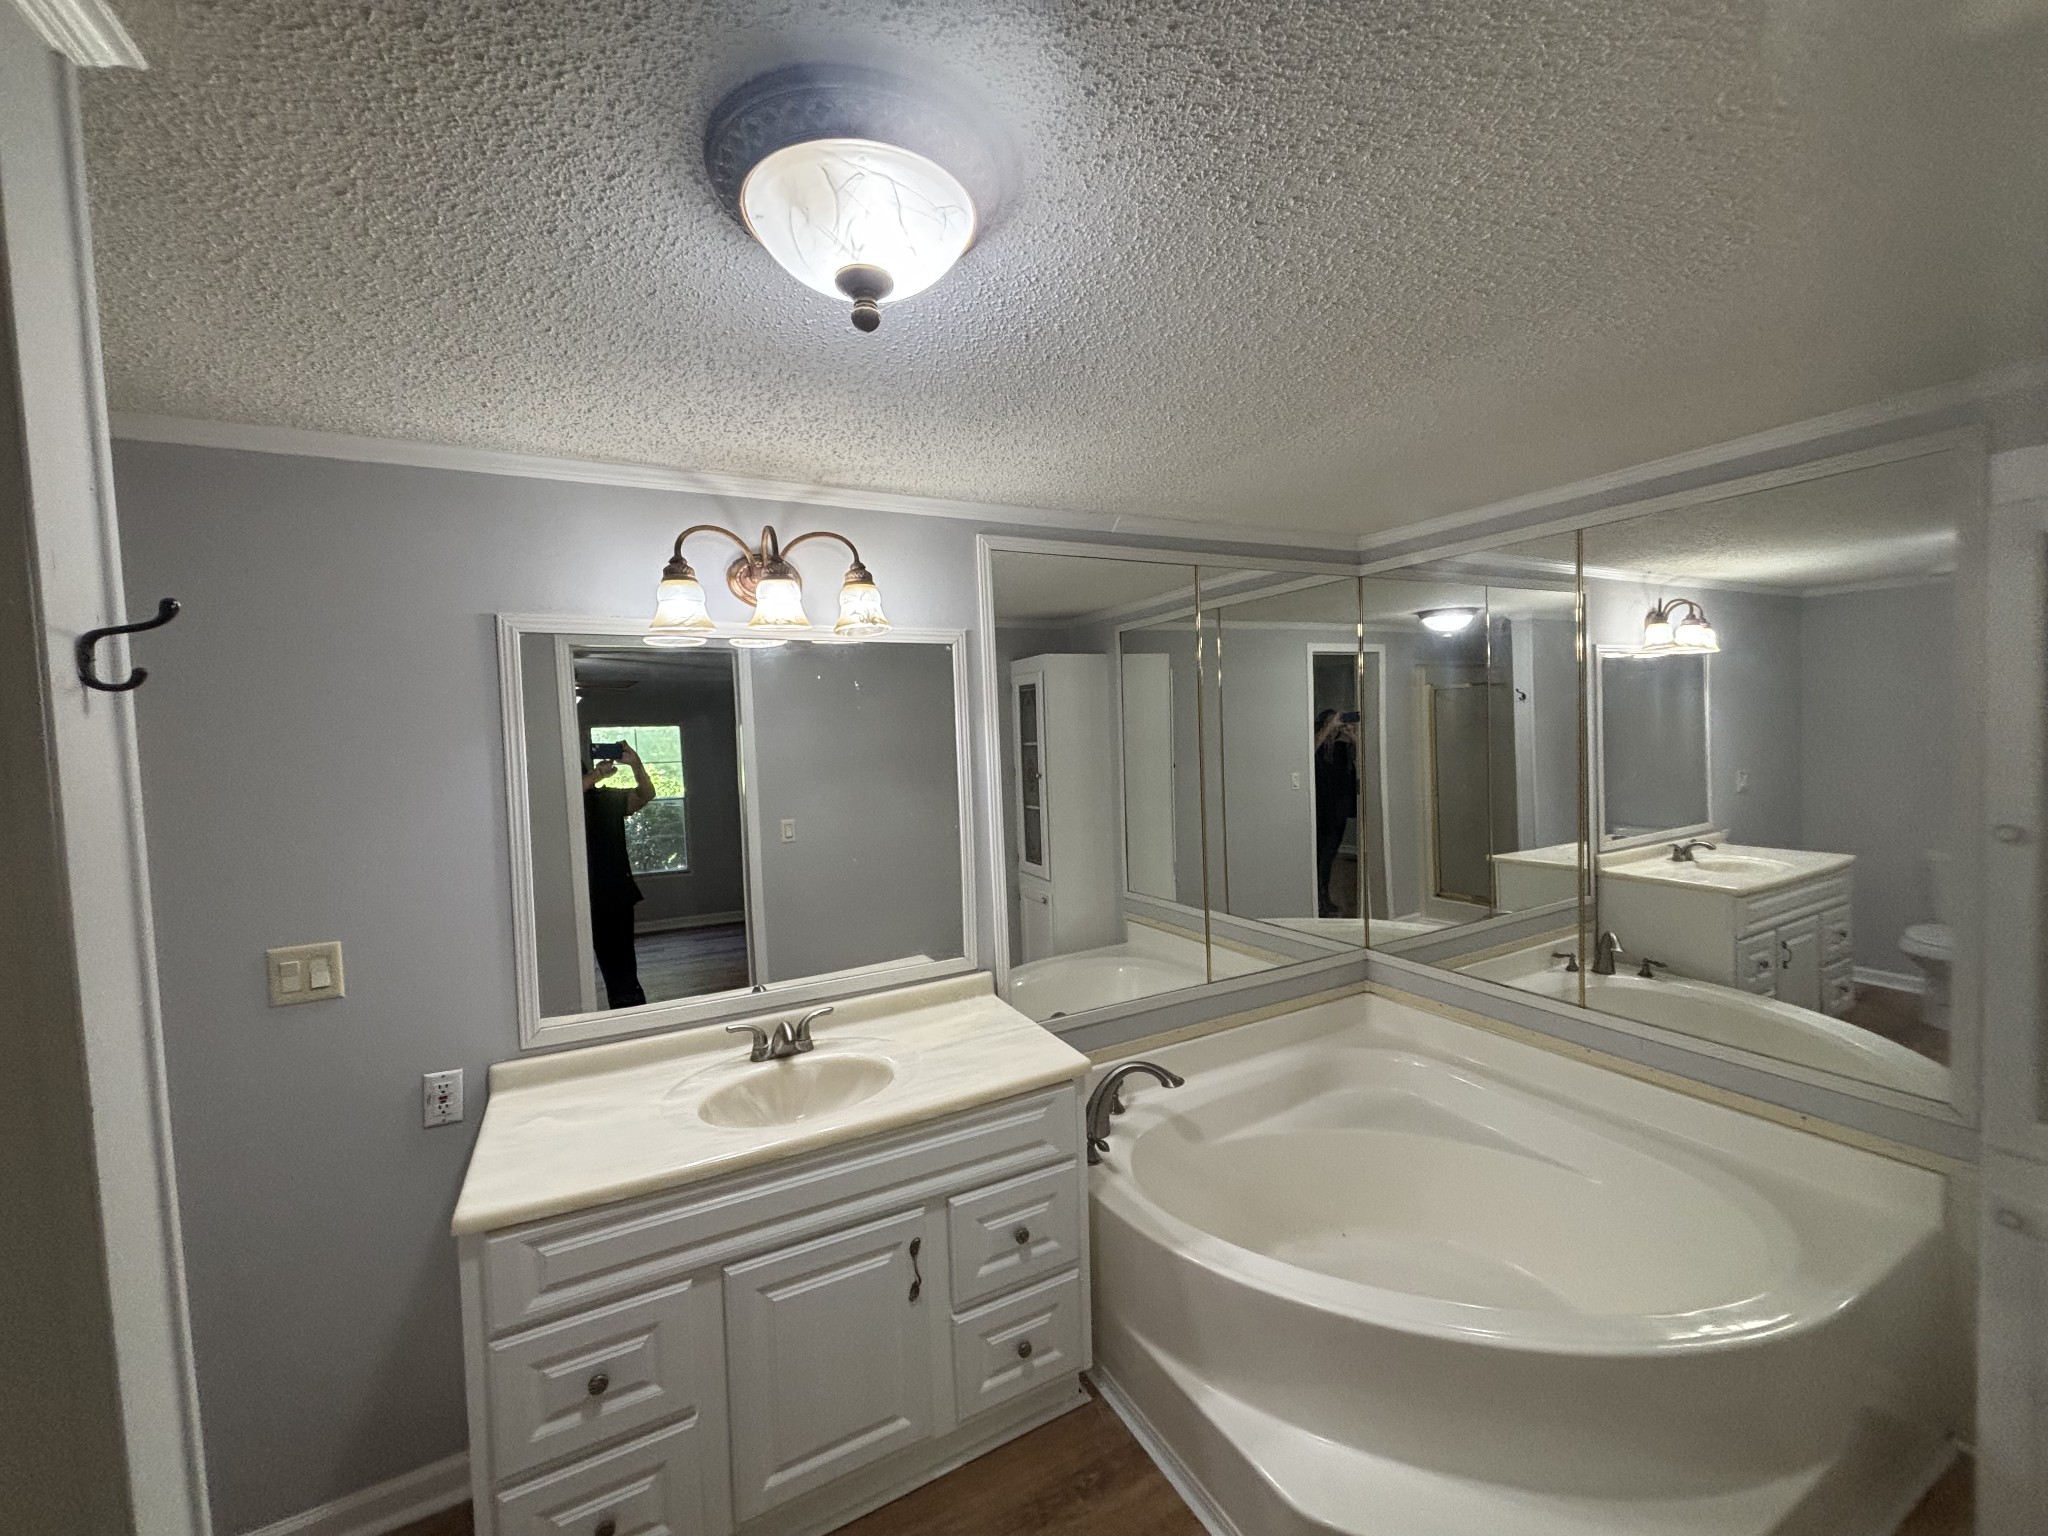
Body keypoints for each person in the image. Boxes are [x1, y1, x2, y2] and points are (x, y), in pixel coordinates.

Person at [583, 741, 656, 1008]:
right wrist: (595, 775)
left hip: (614, 893)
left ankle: (630, 1009)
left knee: (622, 967)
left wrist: (636, 765)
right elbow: (565, 796)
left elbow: (646, 794)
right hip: (580, 897)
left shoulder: (605, 800)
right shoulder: (556, 807)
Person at [1312, 709, 1360, 918]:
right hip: (1321, 810)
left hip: (1339, 810)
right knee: (1320, 858)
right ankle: (1319, 902)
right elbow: (1305, 755)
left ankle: (1324, 899)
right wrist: (1328, 728)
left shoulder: (1341, 748)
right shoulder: (1318, 745)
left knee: (1329, 857)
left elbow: (1366, 757)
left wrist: (1352, 735)